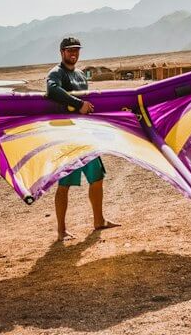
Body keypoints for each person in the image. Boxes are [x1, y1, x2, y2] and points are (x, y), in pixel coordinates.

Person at [46, 36, 119, 239]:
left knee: (97, 178)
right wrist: (78, 104)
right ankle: (61, 230)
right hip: (68, 138)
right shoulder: (56, 73)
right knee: (64, 184)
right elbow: (52, 90)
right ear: (62, 53)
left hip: (85, 135)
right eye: (70, 50)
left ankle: (99, 221)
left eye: (76, 50)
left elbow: (89, 101)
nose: (74, 53)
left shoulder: (79, 74)